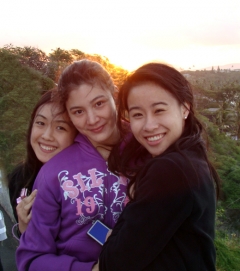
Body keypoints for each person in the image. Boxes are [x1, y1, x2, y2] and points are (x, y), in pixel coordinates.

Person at [97, 63, 221, 271]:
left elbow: (114, 263)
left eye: (159, 110)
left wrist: (115, 234)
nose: (149, 125)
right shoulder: (192, 156)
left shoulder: (170, 170)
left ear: (185, 108)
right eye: (137, 114)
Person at [16, 60, 128, 271]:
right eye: (78, 112)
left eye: (99, 103)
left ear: (114, 93)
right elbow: (31, 260)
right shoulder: (54, 173)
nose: (92, 119)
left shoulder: (146, 150)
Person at [8, 88, 78, 235]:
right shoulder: (19, 178)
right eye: (40, 123)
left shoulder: (87, 184)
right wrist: (24, 231)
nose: (47, 136)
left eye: (60, 127)